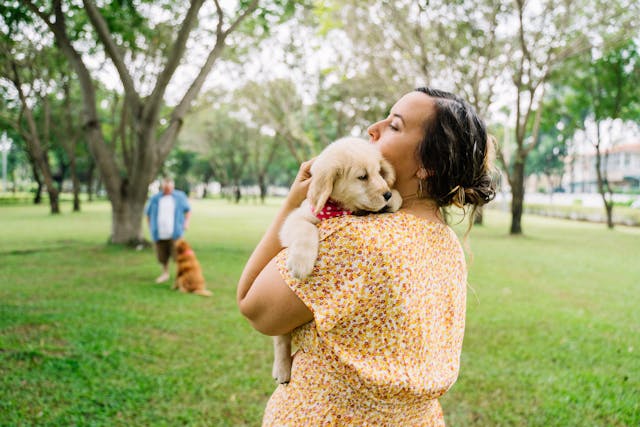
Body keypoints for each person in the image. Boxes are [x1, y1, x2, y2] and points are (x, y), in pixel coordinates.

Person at [237, 87, 497, 426]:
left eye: (395, 125)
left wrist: (293, 204)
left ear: (427, 165)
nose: (374, 128)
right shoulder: (446, 243)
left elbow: (253, 307)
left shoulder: (351, 239)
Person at [145, 178, 191, 283]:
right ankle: (165, 273)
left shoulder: (180, 196)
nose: (168, 189)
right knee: (162, 256)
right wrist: (151, 227)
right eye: (165, 188)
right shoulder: (155, 198)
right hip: (159, 232)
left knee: (178, 255)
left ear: (173, 187)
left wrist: (186, 223)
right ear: (162, 187)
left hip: (175, 232)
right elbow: (148, 214)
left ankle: (180, 276)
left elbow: (188, 211)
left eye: (169, 188)